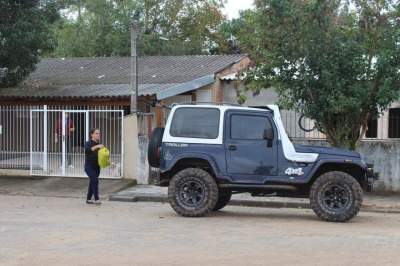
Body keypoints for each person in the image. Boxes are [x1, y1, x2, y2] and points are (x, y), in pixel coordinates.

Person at [84, 128, 103, 204]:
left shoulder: (99, 144)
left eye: (99, 133)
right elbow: (87, 150)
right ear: (92, 134)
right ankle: (96, 199)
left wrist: (109, 163)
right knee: (95, 180)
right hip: (89, 166)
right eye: (96, 133)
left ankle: (88, 199)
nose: (98, 135)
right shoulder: (88, 143)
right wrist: (97, 146)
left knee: (92, 182)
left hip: (97, 167)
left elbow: (103, 156)